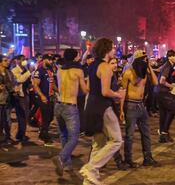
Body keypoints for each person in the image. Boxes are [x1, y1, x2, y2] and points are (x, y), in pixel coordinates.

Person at [80, 38, 125, 185]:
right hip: (102, 107)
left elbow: (87, 88)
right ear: (106, 50)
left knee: (98, 144)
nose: (114, 50)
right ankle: (91, 168)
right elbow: (105, 91)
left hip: (91, 105)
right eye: (112, 48)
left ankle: (88, 182)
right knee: (117, 140)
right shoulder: (105, 67)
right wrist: (119, 95)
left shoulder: (92, 65)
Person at [118, 50, 160, 168]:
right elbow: (123, 91)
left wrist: (149, 68)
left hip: (141, 105)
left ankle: (148, 158)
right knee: (129, 135)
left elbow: (156, 82)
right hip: (130, 105)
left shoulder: (145, 71)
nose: (145, 60)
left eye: (146, 59)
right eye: (143, 59)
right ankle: (128, 159)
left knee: (146, 133)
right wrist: (121, 110)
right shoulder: (128, 73)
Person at [52, 49, 89, 176]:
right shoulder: (78, 71)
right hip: (70, 106)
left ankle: (67, 165)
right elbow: (84, 90)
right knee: (74, 137)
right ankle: (61, 158)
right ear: (74, 57)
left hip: (58, 105)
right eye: (78, 55)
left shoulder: (60, 70)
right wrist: (88, 81)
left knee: (63, 135)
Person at [33, 54, 57, 145]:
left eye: (52, 60)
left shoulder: (50, 70)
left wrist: (58, 91)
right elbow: (35, 85)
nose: (51, 62)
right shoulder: (39, 71)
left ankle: (43, 133)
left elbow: (52, 82)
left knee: (50, 117)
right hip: (43, 98)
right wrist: (42, 96)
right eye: (49, 60)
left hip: (50, 97)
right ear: (44, 60)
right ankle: (45, 136)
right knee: (46, 117)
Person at [155, 50, 175, 143]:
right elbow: (162, 81)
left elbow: (159, 71)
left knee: (163, 113)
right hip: (163, 92)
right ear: (170, 57)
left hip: (158, 91)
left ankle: (163, 135)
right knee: (172, 109)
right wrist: (172, 86)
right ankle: (164, 132)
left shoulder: (167, 65)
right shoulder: (168, 66)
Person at [11, 55, 31, 142]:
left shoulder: (25, 69)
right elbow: (19, 80)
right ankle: (21, 135)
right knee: (21, 116)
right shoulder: (14, 70)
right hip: (19, 95)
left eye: (25, 59)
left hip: (26, 94)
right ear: (17, 60)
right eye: (23, 59)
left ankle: (20, 134)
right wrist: (29, 72)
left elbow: (28, 80)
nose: (24, 61)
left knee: (25, 116)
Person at [0, 55, 14, 144]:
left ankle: (7, 136)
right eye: (5, 60)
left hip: (8, 99)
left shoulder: (8, 72)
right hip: (0, 99)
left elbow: (12, 83)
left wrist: (13, 89)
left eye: (7, 60)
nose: (7, 62)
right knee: (1, 119)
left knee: (7, 119)